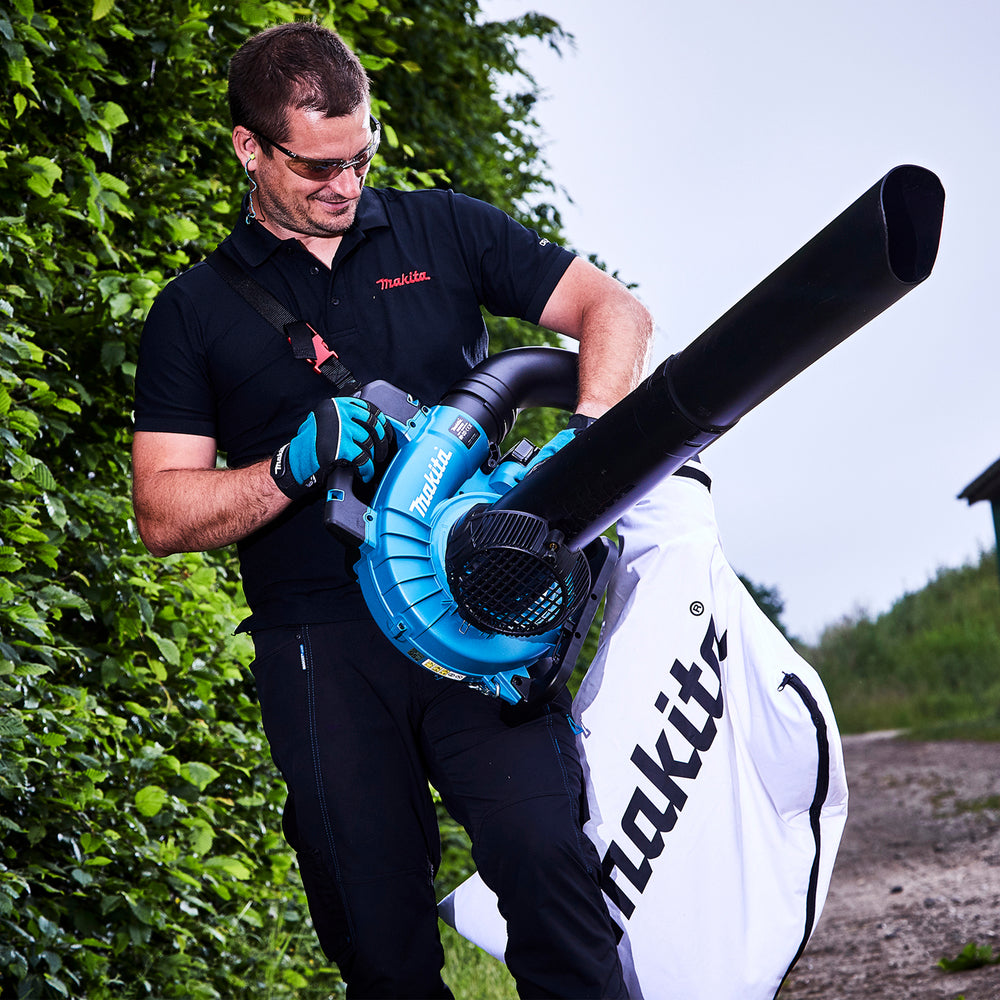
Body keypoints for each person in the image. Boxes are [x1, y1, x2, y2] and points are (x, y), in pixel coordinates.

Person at [132, 21, 652, 1000]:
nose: (344, 185)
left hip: (477, 611)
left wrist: (589, 436)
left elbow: (614, 312)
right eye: (316, 166)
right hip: (319, 648)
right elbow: (161, 511)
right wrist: (290, 467)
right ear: (249, 147)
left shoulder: (443, 228)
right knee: (379, 943)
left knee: (549, 870)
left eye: (359, 159)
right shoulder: (193, 311)